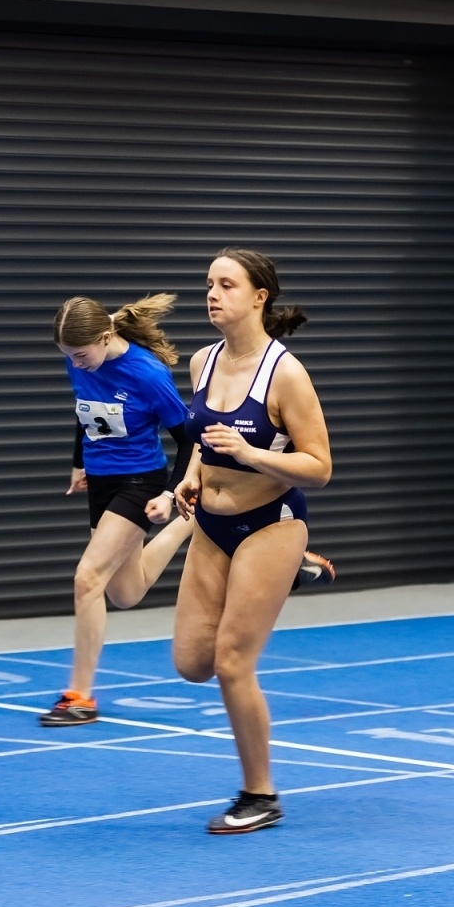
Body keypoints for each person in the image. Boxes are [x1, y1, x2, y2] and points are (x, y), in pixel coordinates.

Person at [172, 247, 332, 834]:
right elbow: (201, 435)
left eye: (226, 284)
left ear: (258, 296)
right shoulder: (202, 362)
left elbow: (319, 466)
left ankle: (259, 794)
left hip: (271, 521)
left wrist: (250, 455)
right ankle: (292, 572)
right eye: (208, 283)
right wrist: (191, 475)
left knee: (233, 662)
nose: (212, 294)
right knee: (192, 663)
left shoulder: (285, 374)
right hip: (211, 525)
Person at [41, 294, 197, 726]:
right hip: (102, 479)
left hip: (140, 481)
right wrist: (79, 460)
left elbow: (189, 438)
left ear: (106, 337)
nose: (76, 363)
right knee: (124, 593)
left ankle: (80, 697)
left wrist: (170, 492)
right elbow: (84, 407)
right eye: (68, 357)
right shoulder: (79, 359)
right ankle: (196, 522)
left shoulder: (147, 373)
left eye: (81, 355)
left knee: (87, 577)